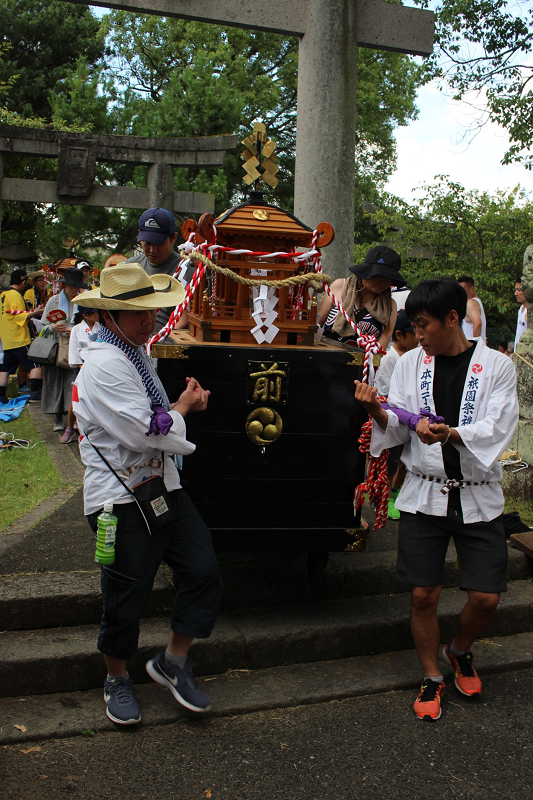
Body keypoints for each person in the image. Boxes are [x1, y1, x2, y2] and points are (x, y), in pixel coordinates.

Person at [355, 277, 518, 722]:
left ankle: (459, 649)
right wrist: (375, 411)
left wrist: (452, 433)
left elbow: (499, 427)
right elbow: (397, 423)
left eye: (424, 325)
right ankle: (431, 675)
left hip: (477, 495)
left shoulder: (496, 367)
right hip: (425, 494)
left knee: (486, 597)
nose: (417, 334)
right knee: (423, 594)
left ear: (452, 319)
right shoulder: (410, 364)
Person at [73, 263, 222, 726]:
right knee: (126, 594)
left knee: (203, 570)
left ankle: (174, 661)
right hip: (120, 496)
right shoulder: (104, 365)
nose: (149, 320)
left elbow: (152, 419)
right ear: (109, 315)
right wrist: (183, 406)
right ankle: (116, 676)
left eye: (152, 310)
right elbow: (143, 430)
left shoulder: (136, 355)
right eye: (136, 313)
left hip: (162, 486)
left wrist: (175, 407)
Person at [317, 245, 403, 353]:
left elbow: (382, 344)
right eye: (378, 275)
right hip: (325, 357)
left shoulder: (390, 305)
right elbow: (316, 324)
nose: (383, 282)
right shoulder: (339, 287)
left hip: (361, 365)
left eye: (389, 278)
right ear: (367, 271)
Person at [375, 310, 419, 520]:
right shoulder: (389, 358)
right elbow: (384, 391)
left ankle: (398, 491)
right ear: (400, 335)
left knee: (405, 459)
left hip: (412, 416)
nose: (418, 336)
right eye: (413, 332)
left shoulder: (416, 358)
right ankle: (386, 501)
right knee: (391, 460)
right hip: (394, 415)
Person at [126, 207, 191, 334]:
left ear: (173, 238)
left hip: (168, 342)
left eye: (159, 243)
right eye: (147, 243)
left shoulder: (187, 270)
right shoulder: (131, 267)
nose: (152, 249)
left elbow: (188, 317)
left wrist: (157, 340)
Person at [41, 267, 88, 432]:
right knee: (53, 380)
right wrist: (53, 327)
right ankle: (56, 418)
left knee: (72, 382)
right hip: (56, 347)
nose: (73, 290)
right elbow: (43, 326)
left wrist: (74, 329)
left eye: (77, 287)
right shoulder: (53, 301)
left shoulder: (82, 301)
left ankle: (73, 418)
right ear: (64, 285)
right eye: (71, 286)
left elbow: (88, 323)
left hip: (74, 347)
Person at [0, 268, 44, 403]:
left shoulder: (2, 295)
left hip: (7, 338)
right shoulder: (15, 295)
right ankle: (35, 392)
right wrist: (34, 312)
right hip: (19, 338)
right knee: (35, 364)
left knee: (5, 368)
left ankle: (1, 395)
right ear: (22, 281)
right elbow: (19, 316)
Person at [60, 307, 100, 445]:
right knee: (76, 399)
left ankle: (91, 429)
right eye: (96, 313)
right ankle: (69, 428)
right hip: (82, 366)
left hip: (98, 366)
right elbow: (74, 352)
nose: (99, 315)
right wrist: (82, 367)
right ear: (86, 315)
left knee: (95, 398)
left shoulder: (101, 327)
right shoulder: (77, 329)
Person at [457, 275, 486, 342]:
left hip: (472, 349)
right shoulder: (478, 302)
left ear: (472, 288)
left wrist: (474, 344)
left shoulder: (471, 302)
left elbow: (478, 323)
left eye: (464, 290)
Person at [514, 278, 527, 351]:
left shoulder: (529, 312)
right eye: (516, 290)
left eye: (519, 290)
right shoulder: (521, 308)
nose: (516, 293)